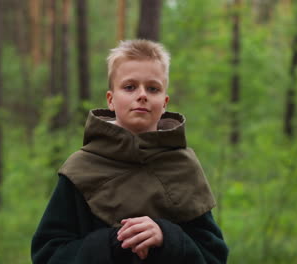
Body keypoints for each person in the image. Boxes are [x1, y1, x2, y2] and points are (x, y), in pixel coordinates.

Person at [31, 39, 229, 264]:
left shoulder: (183, 166)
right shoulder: (80, 169)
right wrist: (112, 244)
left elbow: (214, 256)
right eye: (129, 87)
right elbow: (47, 254)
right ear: (111, 100)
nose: (142, 94)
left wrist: (167, 237)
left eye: (152, 88)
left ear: (164, 103)